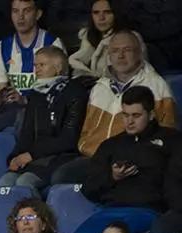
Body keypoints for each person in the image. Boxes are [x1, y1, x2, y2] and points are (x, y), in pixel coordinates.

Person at [55, 30, 177, 184]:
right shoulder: (99, 87)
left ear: (139, 53)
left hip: (131, 161)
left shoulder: (158, 87)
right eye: (115, 51)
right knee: (61, 176)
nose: (120, 56)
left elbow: (167, 136)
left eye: (127, 50)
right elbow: (87, 130)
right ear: (109, 56)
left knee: (63, 178)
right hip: (93, 157)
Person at [0, 45, 90, 191]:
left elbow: (68, 139)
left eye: (42, 65)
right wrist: (14, 157)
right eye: (35, 65)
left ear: (58, 67)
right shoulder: (36, 94)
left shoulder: (74, 92)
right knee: (5, 181)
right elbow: (26, 133)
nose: (37, 69)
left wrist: (31, 154)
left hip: (60, 159)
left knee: (24, 183)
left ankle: (38, 214)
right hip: (34, 158)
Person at [0, 0, 60, 133]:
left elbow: (58, 90)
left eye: (26, 11)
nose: (20, 17)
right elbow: (1, 86)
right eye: (15, 11)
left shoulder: (52, 44)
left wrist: (25, 99)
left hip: (41, 107)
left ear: (38, 14)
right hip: (11, 107)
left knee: (23, 121)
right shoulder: (3, 47)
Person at [82, 86, 181, 212]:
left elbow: (175, 184)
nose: (129, 121)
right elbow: (88, 188)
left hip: (149, 210)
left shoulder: (172, 140)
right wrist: (112, 177)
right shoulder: (110, 145)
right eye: (125, 115)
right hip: (110, 210)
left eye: (136, 115)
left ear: (151, 115)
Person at [68, 0, 129, 78]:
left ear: (116, 14)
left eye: (107, 12)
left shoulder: (130, 39)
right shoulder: (88, 35)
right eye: (96, 13)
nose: (101, 18)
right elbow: (78, 60)